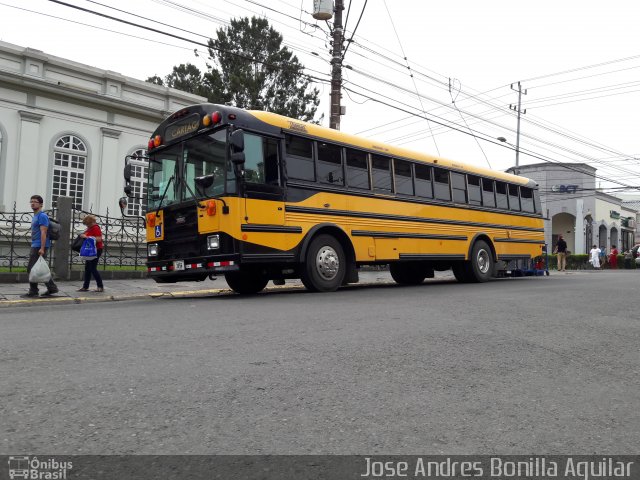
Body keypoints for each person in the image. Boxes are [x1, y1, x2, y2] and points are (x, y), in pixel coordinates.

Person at [22, 195, 59, 297]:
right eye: (31, 201)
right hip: (36, 244)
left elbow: (44, 233)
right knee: (37, 269)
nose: (32, 203)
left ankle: (34, 291)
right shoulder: (36, 216)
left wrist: (42, 248)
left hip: (39, 246)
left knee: (31, 269)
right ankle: (52, 288)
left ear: (41, 204)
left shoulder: (42, 216)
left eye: (35, 202)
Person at [77, 214, 104, 292]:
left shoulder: (95, 228)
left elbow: (99, 239)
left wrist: (86, 237)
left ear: (91, 222)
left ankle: (100, 286)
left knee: (92, 268)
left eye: (87, 224)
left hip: (96, 250)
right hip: (90, 250)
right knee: (87, 269)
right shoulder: (90, 228)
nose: (87, 225)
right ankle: (85, 287)